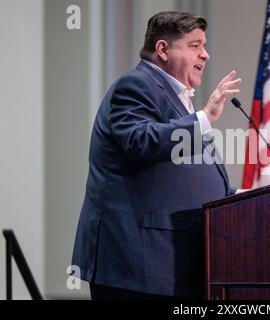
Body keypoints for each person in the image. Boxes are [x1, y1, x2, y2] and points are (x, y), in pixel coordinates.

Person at [71, 11, 242, 299]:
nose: (206, 55)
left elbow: (185, 176)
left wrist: (241, 195)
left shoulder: (177, 98)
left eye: (204, 46)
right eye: (195, 46)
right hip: (137, 264)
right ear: (163, 49)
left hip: (168, 265)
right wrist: (204, 118)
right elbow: (141, 142)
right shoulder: (136, 86)